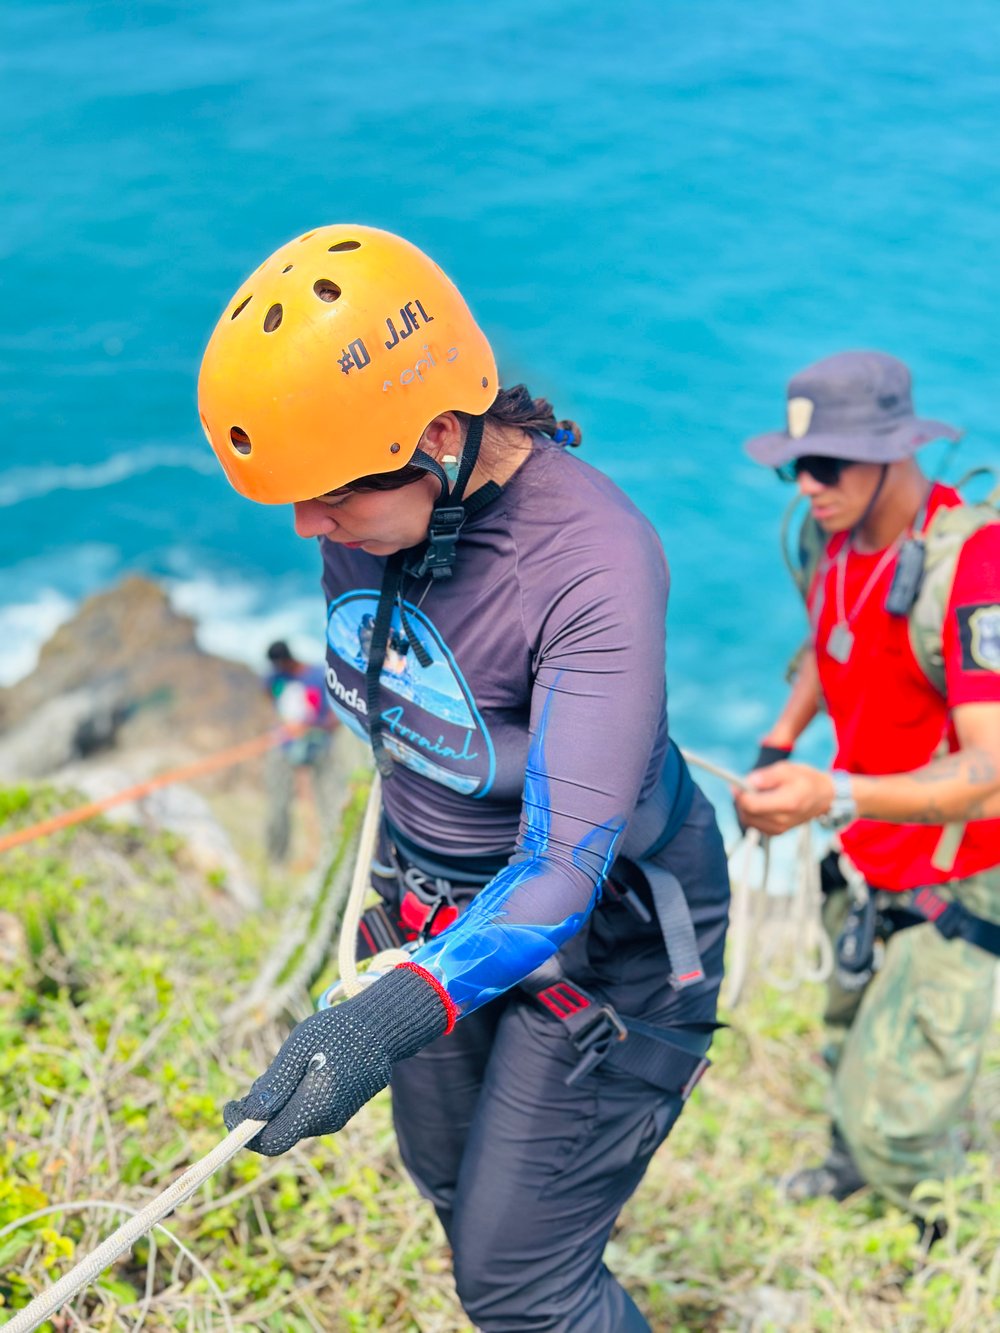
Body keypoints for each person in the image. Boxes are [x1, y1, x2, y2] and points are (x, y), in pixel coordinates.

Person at [198, 224, 730, 1330]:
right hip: (425, 906)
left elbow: (556, 868)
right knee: (451, 1189)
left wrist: (390, 1011)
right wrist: (392, 920)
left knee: (518, 1281)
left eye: (330, 495)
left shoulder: (590, 562)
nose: (307, 527)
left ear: (438, 434)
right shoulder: (371, 511)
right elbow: (409, 722)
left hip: (605, 946)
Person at [736, 350, 1000, 1227]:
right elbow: (830, 636)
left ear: (895, 450)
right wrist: (782, 738)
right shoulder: (830, 538)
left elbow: (988, 767)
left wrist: (834, 794)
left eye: (827, 464)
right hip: (867, 851)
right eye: (794, 465)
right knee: (846, 1040)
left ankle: (946, 1238)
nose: (806, 485)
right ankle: (854, 1169)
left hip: (960, 870)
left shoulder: (976, 566)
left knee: (904, 1118)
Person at [263, 639, 337, 863]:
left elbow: (335, 719)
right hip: (285, 747)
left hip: (318, 746)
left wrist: (309, 727)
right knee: (278, 804)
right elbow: (269, 695)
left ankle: (331, 853)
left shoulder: (318, 676)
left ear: (288, 659)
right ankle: (276, 859)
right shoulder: (274, 678)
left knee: (330, 801)